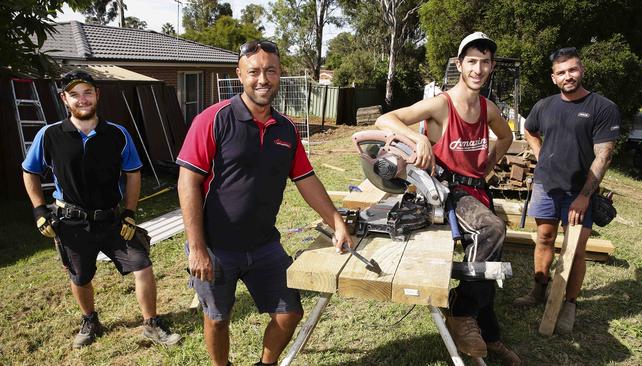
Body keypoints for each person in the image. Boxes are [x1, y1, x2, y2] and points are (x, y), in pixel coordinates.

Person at [176, 40, 353, 366]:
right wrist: (197, 247)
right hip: (216, 246)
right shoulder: (213, 120)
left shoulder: (285, 128)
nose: (262, 79)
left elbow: (307, 180)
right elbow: (187, 182)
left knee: (290, 312)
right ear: (240, 74)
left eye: (270, 71)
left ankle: (266, 363)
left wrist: (337, 222)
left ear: (279, 74)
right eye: (254, 71)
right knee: (217, 318)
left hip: (264, 245)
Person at [375, 32, 520, 365]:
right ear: (459, 64)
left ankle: (490, 334)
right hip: (447, 191)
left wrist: (490, 162)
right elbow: (387, 118)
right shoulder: (441, 104)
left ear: (492, 66)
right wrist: (418, 139)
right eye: (471, 61)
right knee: (491, 231)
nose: (478, 69)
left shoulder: (487, 107)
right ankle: (461, 310)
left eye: (485, 62)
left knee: (487, 262)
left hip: (476, 191)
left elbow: (507, 135)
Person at [21, 70, 181, 349]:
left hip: (112, 219)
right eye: (75, 94)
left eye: (88, 92)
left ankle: (152, 324)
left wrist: (129, 213)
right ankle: (90, 320)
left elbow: (133, 174)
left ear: (98, 95)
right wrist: (38, 211)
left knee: (142, 265)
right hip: (71, 223)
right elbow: (29, 172)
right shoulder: (49, 136)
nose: (82, 99)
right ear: (64, 99)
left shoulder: (117, 134)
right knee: (79, 277)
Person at [513, 47, 620, 333]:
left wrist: (585, 197)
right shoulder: (544, 106)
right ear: (553, 77)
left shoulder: (602, 107)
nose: (568, 76)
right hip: (546, 185)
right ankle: (539, 289)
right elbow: (530, 130)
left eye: (572, 69)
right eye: (561, 72)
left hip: (579, 191)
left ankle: (569, 304)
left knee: (575, 249)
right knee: (544, 239)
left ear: (581, 70)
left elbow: (604, 155)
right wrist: (540, 154)